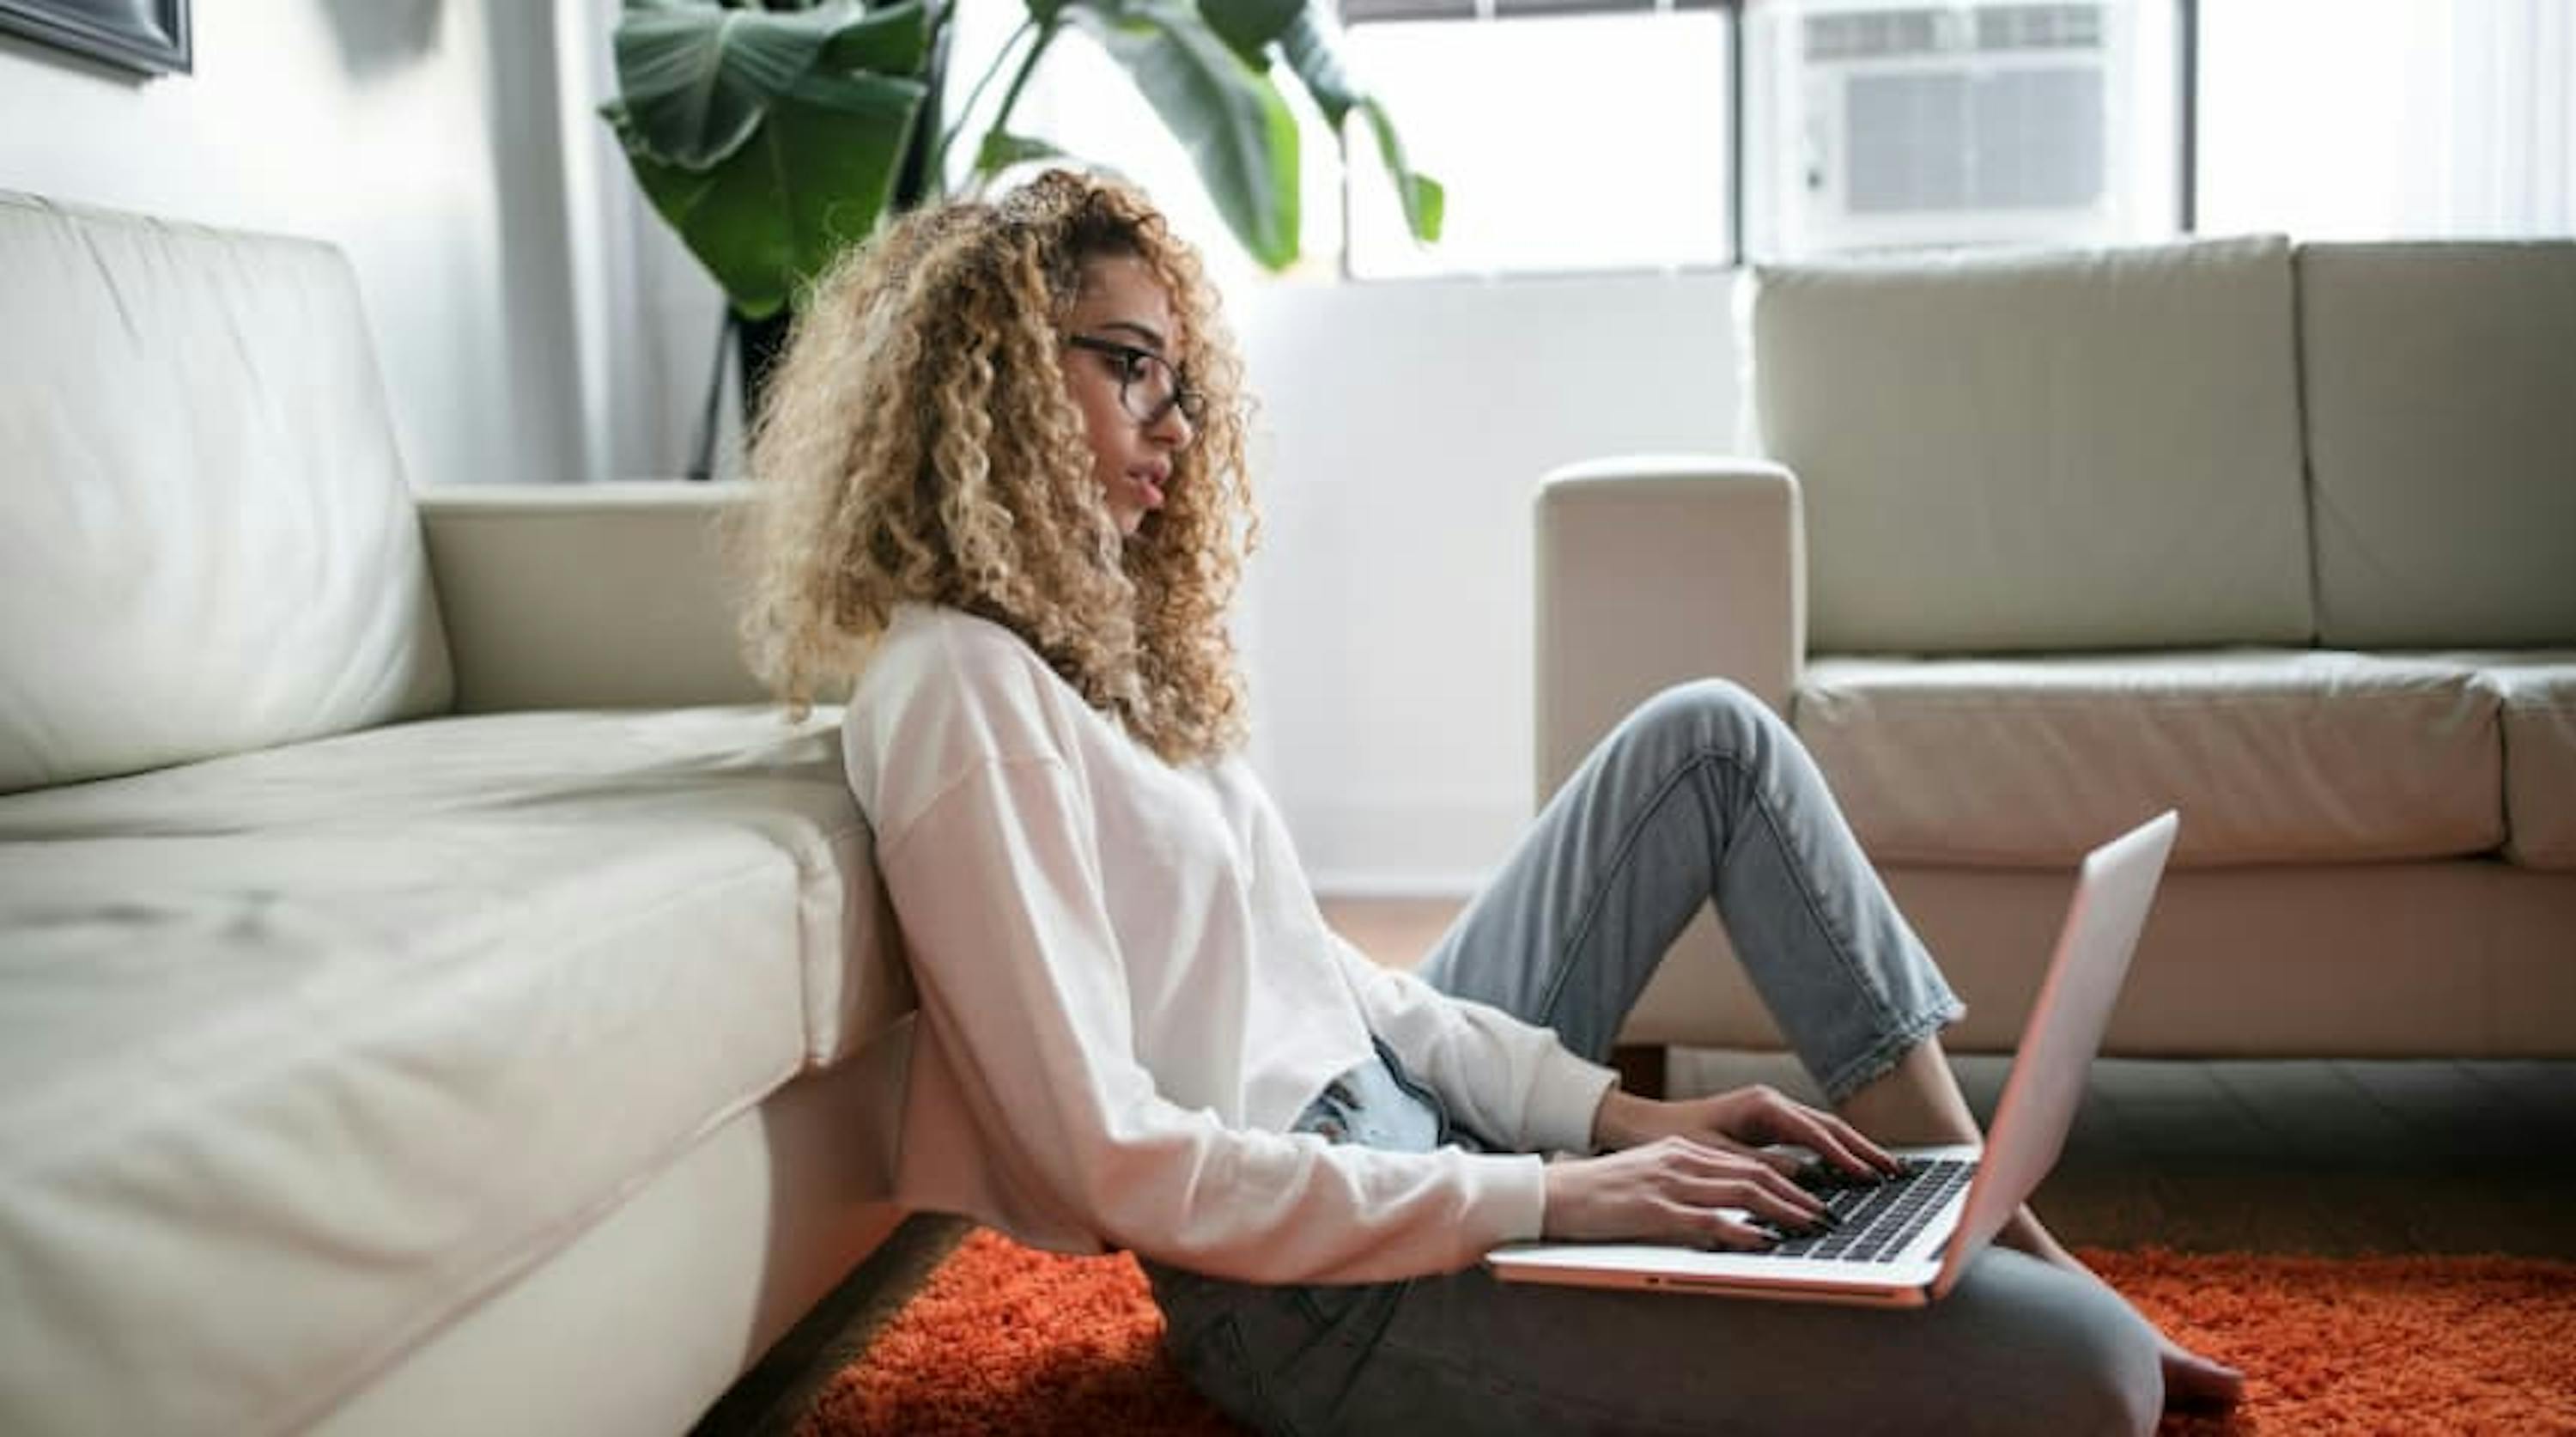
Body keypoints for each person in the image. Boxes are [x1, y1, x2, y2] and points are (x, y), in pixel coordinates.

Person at [738, 167, 2243, 1434]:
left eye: (1179, 379)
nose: (1175, 424)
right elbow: (1111, 1154)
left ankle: (1971, 1209)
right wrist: (1551, 1197)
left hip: (1407, 1141)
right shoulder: (956, 692)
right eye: (1127, 363)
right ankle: (1989, 1268)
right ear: (989, 372)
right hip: (1316, 1297)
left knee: (1711, 739)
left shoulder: (1095, 659)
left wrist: (1612, 1116)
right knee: (2087, 1379)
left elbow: (1330, 983)